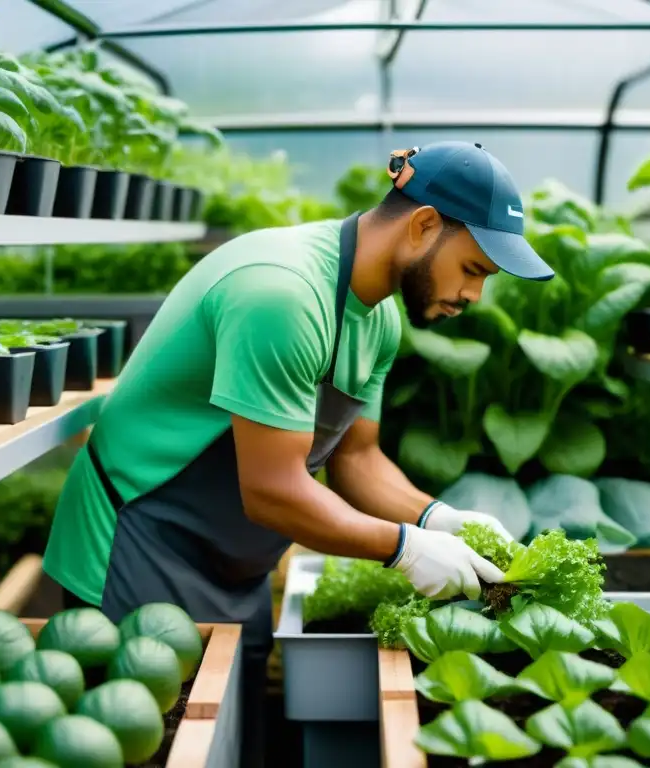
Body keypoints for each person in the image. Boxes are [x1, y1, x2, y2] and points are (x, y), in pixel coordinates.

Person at [41, 140, 555, 766]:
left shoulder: (378, 319)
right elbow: (273, 490)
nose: (474, 295)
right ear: (423, 225)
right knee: (139, 744)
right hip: (136, 542)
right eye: (473, 269)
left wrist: (436, 518)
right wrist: (404, 549)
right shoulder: (283, 294)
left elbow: (357, 460)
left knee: (234, 740)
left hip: (235, 564)